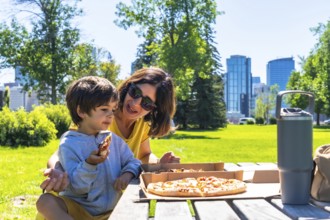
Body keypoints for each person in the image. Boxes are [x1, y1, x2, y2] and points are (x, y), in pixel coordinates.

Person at [40, 67, 180, 193]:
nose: (135, 103)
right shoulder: (96, 117)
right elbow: (61, 152)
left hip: (111, 194)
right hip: (81, 196)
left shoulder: (142, 124)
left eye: (147, 103)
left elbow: (144, 155)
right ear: (128, 87)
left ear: (155, 109)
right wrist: (57, 171)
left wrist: (160, 164)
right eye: (135, 92)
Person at [36, 76, 141, 219]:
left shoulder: (113, 140)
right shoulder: (69, 143)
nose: (111, 115)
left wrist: (127, 174)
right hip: (79, 210)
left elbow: (134, 162)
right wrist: (89, 164)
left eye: (113, 109)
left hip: (113, 211)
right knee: (45, 201)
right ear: (81, 112)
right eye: (104, 109)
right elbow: (77, 187)